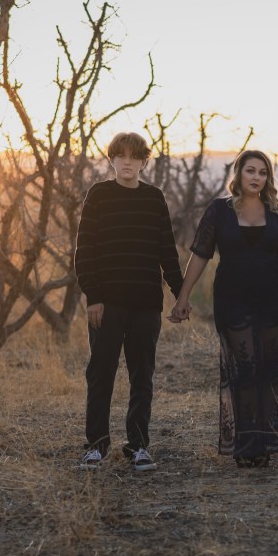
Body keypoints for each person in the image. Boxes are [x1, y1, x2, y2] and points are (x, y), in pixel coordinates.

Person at [170, 150, 278, 468]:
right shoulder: (219, 211)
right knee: (244, 371)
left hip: (273, 298)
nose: (256, 177)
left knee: (268, 371)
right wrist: (182, 297)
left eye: (263, 172)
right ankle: (246, 443)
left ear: (268, 178)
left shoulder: (277, 214)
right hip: (232, 297)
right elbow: (200, 255)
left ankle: (264, 442)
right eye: (250, 171)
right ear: (238, 174)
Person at [74, 132, 183, 471]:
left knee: (142, 376)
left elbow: (166, 248)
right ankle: (96, 446)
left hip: (146, 304)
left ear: (143, 161)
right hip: (107, 304)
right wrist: (94, 297)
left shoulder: (154, 198)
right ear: (111, 159)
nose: (126, 161)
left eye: (133, 156)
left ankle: (137, 446)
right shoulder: (99, 195)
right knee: (101, 373)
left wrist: (180, 294)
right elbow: (84, 250)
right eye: (119, 155)